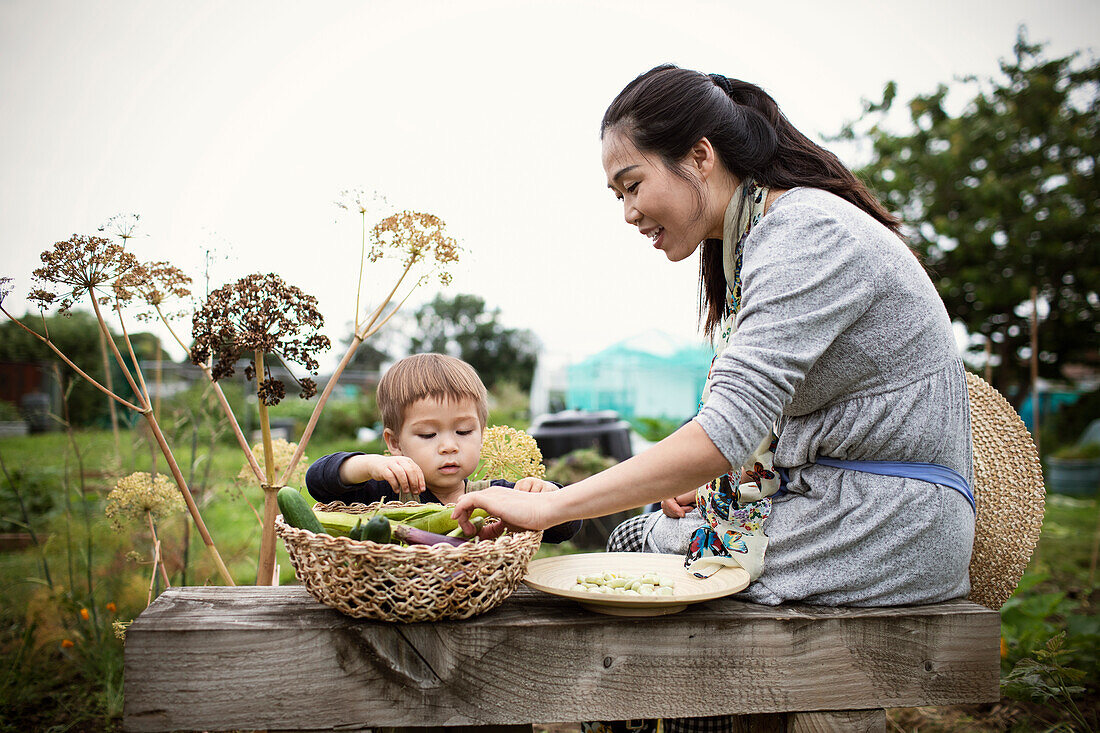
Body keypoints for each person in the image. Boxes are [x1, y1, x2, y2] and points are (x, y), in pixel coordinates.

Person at [453, 64, 975, 609]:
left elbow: (727, 428)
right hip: (851, 506)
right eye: (617, 197)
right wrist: (704, 483)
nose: (630, 213)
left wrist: (553, 507)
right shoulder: (763, 236)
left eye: (633, 185)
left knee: (636, 543)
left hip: (892, 525)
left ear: (700, 157)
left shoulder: (807, 233)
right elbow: (751, 422)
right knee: (648, 534)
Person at [306, 352, 581, 544]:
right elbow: (318, 482)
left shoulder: (495, 497)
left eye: (464, 431)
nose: (449, 446)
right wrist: (367, 465)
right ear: (395, 443)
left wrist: (547, 495)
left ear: (482, 435)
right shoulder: (383, 493)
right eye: (428, 434)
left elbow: (566, 528)